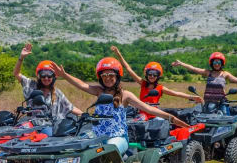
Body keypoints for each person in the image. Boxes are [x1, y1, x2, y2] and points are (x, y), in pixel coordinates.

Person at [50, 57, 189, 155]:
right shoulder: (99, 91)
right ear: (100, 78)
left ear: (117, 77)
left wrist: (172, 118)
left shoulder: (125, 95)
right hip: (98, 135)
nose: (108, 78)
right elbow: (81, 85)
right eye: (104, 76)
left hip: (118, 138)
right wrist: (64, 75)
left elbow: (148, 108)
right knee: (77, 147)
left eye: (111, 75)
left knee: (108, 149)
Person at [111, 46, 203, 120]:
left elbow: (176, 93)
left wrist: (192, 97)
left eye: (155, 75)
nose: (152, 76)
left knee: (164, 126)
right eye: (150, 74)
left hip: (155, 115)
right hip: (143, 114)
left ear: (158, 76)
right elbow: (129, 69)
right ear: (146, 74)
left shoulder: (160, 88)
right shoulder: (142, 83)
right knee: (136, 125)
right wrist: (118, 54)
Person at [13, 43, 82, 135]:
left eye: (49, 75)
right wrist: (21, 58)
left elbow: (70, 107)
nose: (46, 78)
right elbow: (16, 74)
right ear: (39, 76)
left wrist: (85, 115)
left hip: (52, 126)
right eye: (43, 75)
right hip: (34, 125)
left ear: (54, 77)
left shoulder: (57, 93)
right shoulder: (31, 86)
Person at [171, 52, 237, 114]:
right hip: (208, 102)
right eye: (215, 61)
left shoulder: (225, 74)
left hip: (221, 102)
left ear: (222, 63)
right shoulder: (208, 72)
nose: (217, 64)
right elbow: (194, 68)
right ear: (212, 63)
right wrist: (181, 64)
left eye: (219, 62)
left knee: (225, 121)